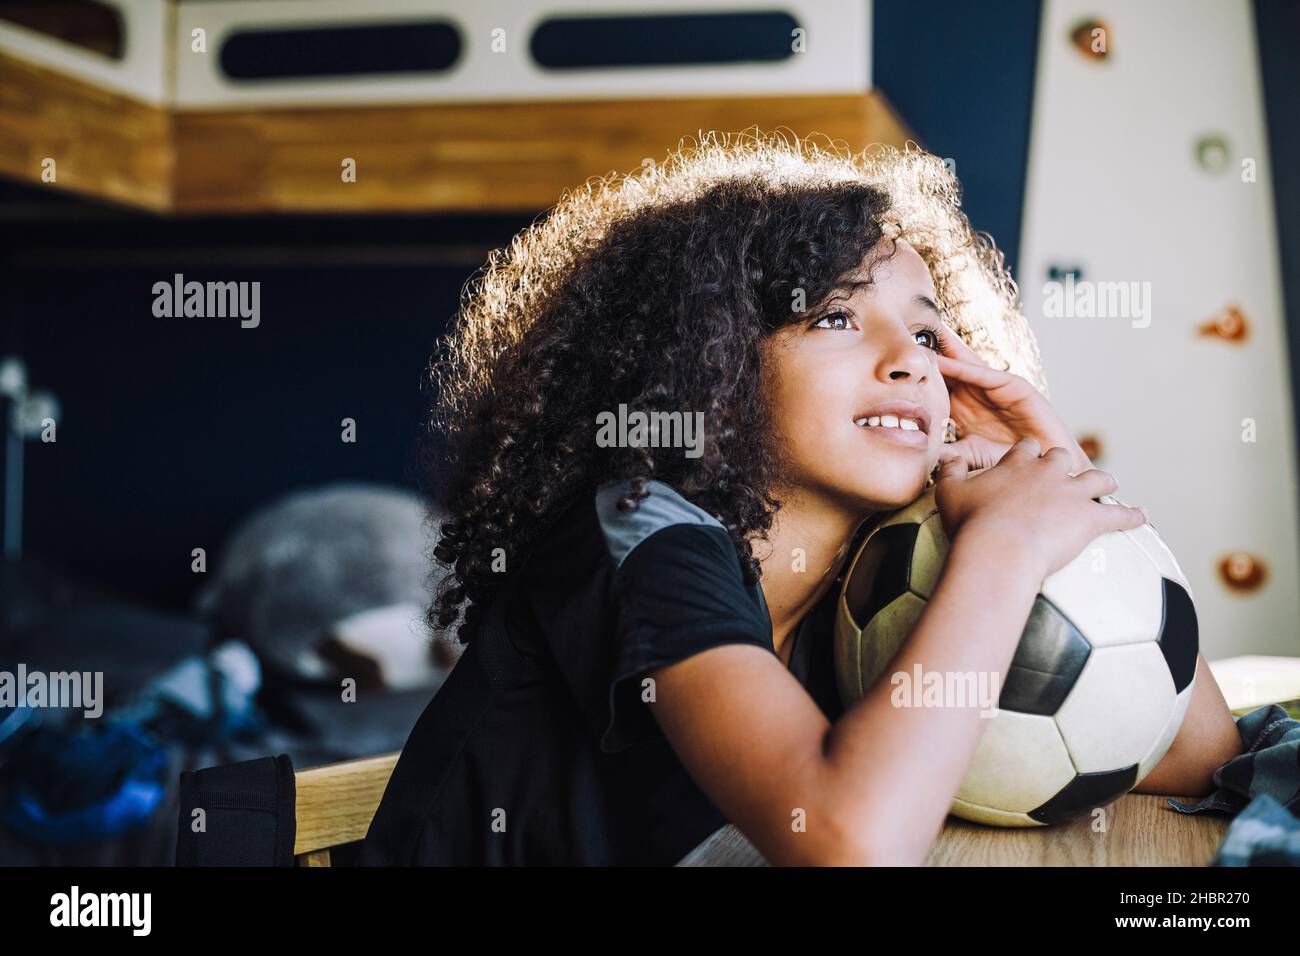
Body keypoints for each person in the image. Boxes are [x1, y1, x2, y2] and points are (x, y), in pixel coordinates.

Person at [360, 130, 1243, 866]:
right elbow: (846, 843)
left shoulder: (880, 580)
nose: (909, 359)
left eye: (932, 332)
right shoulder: (639, 529)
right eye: (833, 317)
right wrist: (1007, 549)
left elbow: (1198, 755)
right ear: (713, 365)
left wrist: (1050, 465)